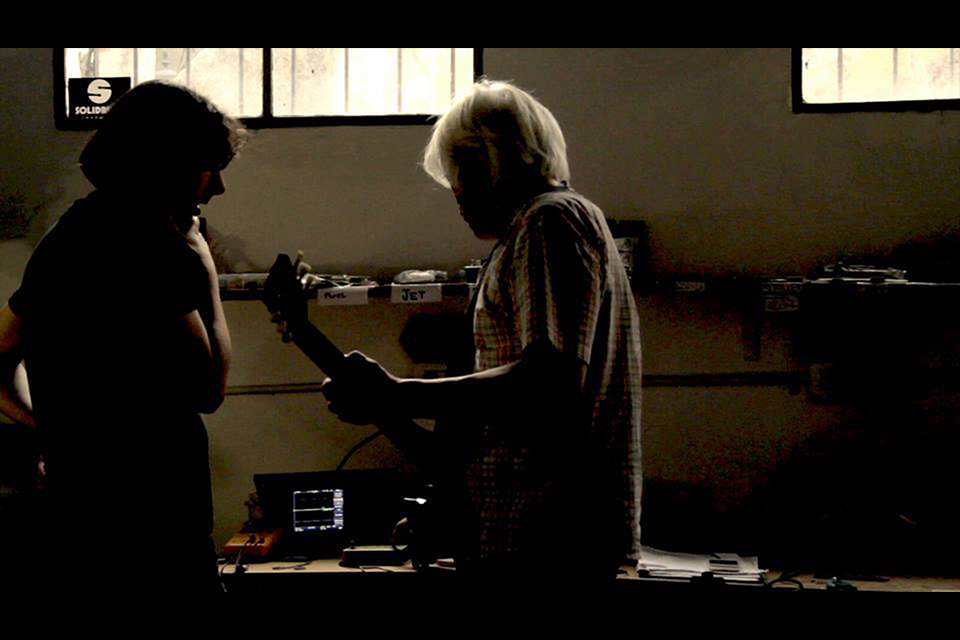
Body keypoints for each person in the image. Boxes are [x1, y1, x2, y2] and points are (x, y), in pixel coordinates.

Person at [320, 79, 643, 587]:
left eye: (460, 174)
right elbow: (507, 418)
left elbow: (551, 382)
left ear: (488, 163)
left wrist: (399, 393)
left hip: (544, 542)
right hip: (528, 536)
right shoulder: (541, 229)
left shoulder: (548, 222)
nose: (457, 195)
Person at [0, 81, 243, 593]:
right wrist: (204, 270)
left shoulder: (71, 233)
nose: (218, 186)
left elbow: (0, 353)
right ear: (170, 166)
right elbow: (208, 390)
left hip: (83, 513)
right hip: (158, 524)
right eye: (210, 167)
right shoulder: (150, 245)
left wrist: (54, 427)